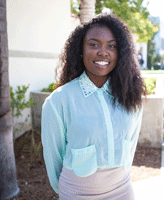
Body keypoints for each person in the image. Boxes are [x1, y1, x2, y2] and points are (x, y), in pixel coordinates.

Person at [41, 14, 147, 199]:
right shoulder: (59, 101)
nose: (103, 52)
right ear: (80, 50)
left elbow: (130, 149)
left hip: (122, 190)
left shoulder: (131, 97)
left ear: (120, 52)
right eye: (93, 44)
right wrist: (66, 192)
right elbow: (54, 158)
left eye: (111, 46)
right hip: (77, 193)